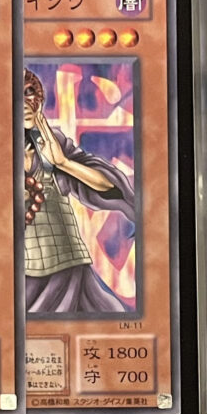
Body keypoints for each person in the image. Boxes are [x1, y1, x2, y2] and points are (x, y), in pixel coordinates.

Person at [23, 69, 136, 314]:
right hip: (19, 277)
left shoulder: (52, 142)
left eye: (29, 92)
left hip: (68, 269)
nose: (23, 104)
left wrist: (64, 163)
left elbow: (107, 186)